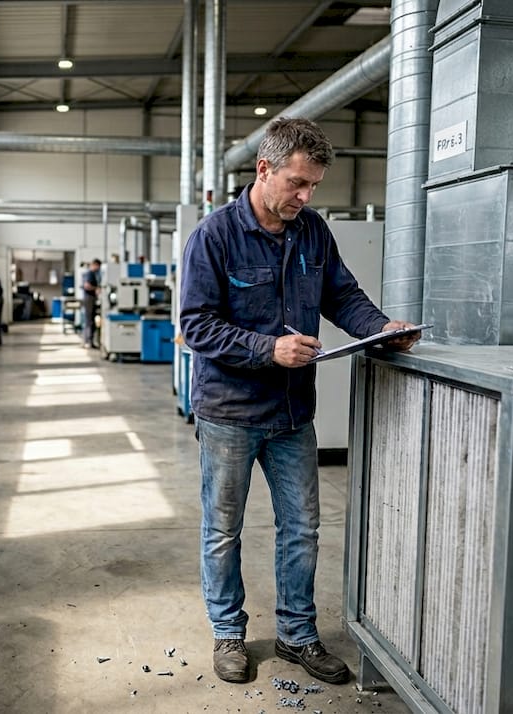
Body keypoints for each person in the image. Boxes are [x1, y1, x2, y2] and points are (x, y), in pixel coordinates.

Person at [179, 117, 421, 686]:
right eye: (298, 183)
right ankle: (228, 632)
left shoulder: (311, 231)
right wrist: (269, 349)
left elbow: (342, 294)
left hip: (292, 414)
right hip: (230, 413)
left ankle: (296, 633)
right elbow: (196, 325)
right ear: (264, 169)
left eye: (313, 185)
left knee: (302, 528)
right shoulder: (214, 237)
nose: (306, 196)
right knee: (223, 529)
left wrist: (382, 327)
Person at [80, 258, 102, 348]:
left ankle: (89, 341)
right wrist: (96, 288)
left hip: (90, 298)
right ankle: (88, 341)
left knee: (90, 320)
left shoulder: (91, 274)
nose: (99, 269)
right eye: (98, 267)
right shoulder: (90, 274)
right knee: (89, 321)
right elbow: (87, 286)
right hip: (89, 299)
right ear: (95, 265)